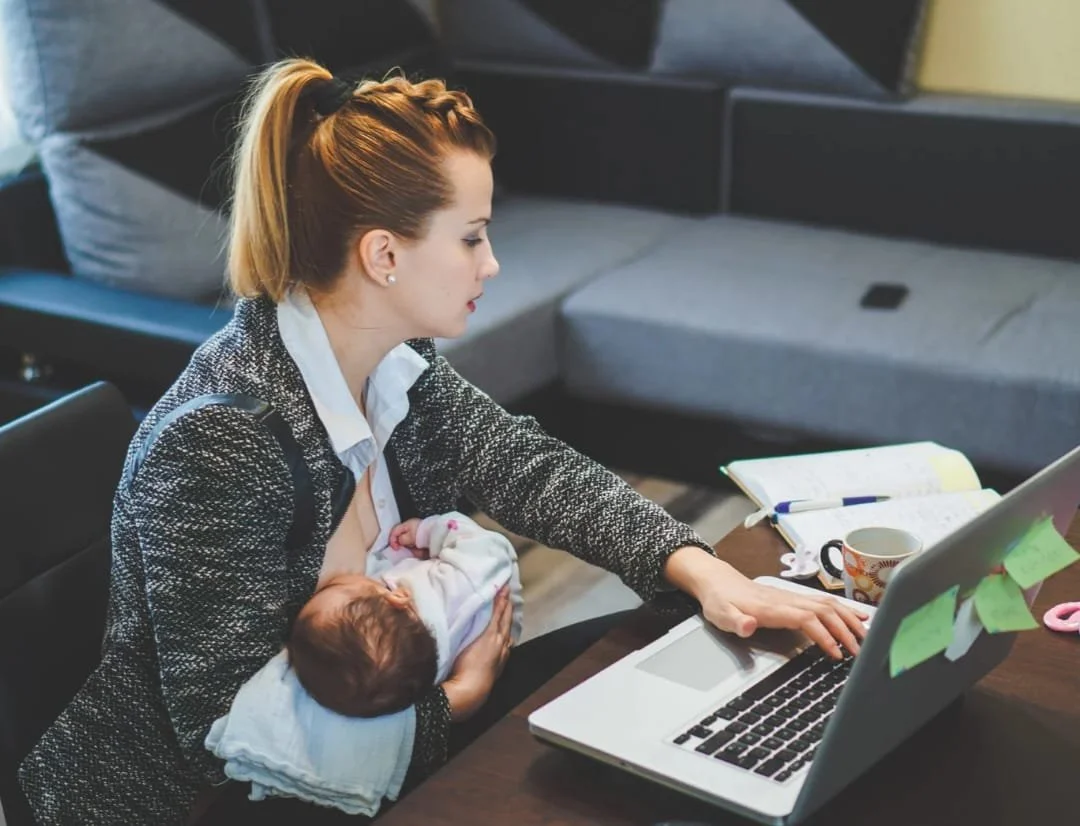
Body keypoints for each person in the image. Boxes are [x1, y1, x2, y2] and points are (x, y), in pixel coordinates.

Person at [18, 57, 866, 825]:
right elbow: (221, 726)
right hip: (213, 798)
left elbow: (526, 465)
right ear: (384, 255)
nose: (490, 264)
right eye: (471, 237)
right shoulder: (223, 438)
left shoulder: (394, 362)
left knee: (656, 648)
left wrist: (709, 575)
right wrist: (456, 704)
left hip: (382, 726)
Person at [287, 512, 524, 718]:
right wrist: (428, 532)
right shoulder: (453, 586)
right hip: (493, 616)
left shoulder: (410, 676)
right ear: (398, 597)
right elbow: (492, 548)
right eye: (335, 586)